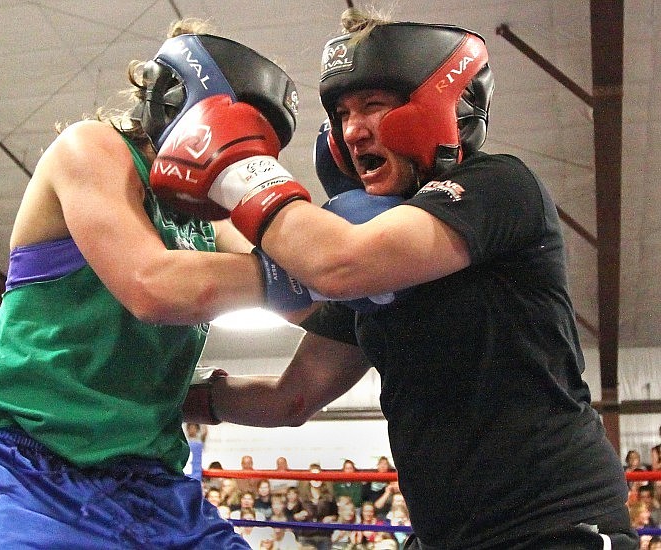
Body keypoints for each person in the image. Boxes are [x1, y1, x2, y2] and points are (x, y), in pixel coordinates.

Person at [164, 7, 639, 549]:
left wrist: (237, 166)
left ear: (440, 105)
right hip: (447, 536)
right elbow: (291, 397)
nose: (352, 128)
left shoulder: (499, 186)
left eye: (373, 105)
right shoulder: (373, 274)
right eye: (342, 112)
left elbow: (336, 263)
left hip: (552, 525)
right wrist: (177, 396)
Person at [0, 18, 303, 550]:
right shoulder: (94, 149)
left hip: (149, 483)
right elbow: (153, 285)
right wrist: (311, 274)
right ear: (173, 103)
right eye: (239, 130)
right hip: (21, 465)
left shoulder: (206, 220)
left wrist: (374, 269)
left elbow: (317, 299)